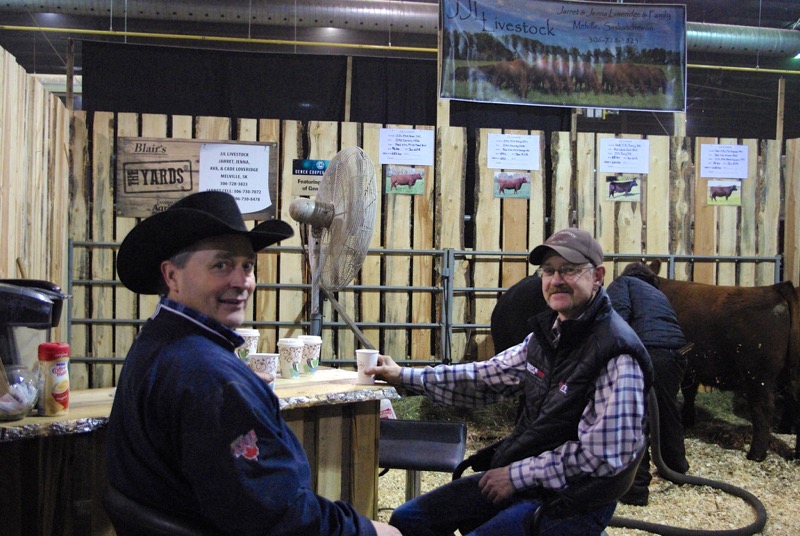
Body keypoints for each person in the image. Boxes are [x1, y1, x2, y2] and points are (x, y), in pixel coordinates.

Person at [107, 191, 400, 536]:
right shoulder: (210, 377)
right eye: (221, 265)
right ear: (172, 277)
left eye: (247, 265)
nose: (241, 281)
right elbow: (279, 518)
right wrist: (366, 531)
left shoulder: (158, 342)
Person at [369, 228, 653, 536]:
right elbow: (485, 378)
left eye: (569, 270)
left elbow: (602, 457)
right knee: (408, 519)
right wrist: (404, 377)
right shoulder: (548, 336)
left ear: (597, 276)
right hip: (530, 476)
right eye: (548, 271)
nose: (555, 280)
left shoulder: (616, 353)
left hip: (574, 498)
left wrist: (516, 475)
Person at [607, 262, 691, 506]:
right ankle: (676, 469)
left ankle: (635, 489)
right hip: (677, 355)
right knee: (668, 411)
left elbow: (617, 318)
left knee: (635, 418)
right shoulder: (658, 293)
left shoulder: (623, 284)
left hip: (648, 353)